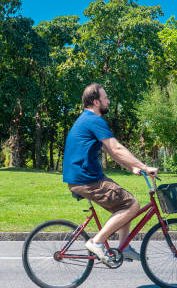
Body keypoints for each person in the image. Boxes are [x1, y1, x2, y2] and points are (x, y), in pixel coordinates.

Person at [62, 83, 158, 265]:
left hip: (84, 177)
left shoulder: (86, 119)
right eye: (105, 98)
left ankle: (124, 247)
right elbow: (116, 147)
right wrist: (145, 167)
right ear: (96, 102)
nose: (108, 101)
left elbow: (112, 152)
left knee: (125, 203)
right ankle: (97, 242)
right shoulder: (93, 120)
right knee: (131, 205)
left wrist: (132, 167)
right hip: (86, 179)